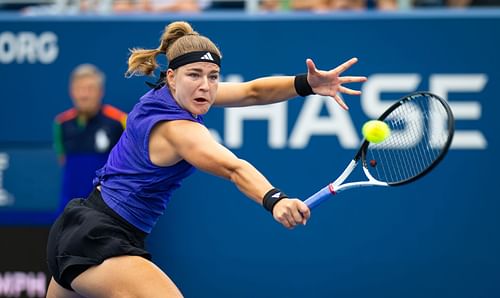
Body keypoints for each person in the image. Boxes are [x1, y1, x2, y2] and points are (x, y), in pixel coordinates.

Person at [46, 21, 367, 297]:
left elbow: (253, 92)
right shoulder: (178, 130)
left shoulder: (168, 95)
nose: (206, 86)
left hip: (78, 226)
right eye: (195, 75)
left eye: (213, 76)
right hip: (99, 238)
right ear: (171, 76)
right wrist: (275, 199)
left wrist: (306, 84)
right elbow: (233, 168)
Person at [53, 64, 127, 214]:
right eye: (79, 89)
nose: (84, 95)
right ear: (71, 92)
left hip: (107, 209)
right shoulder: (61, 123)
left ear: (100, 92)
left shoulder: (119, 121)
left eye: (90, 89)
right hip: (70, 208)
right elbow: (62, 160)